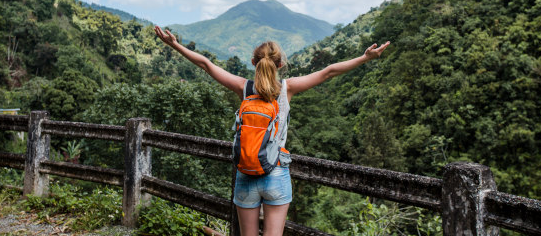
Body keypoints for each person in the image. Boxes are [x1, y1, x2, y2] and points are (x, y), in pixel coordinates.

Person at [154, 25, 390, 236]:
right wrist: (364, 58)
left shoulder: (243, 87)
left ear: (253, 63)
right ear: (280, 65)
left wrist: (175, 45)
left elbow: (206, 64)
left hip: (246, 174)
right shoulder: (288, 89)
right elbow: (329, 71)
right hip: (276, 173)